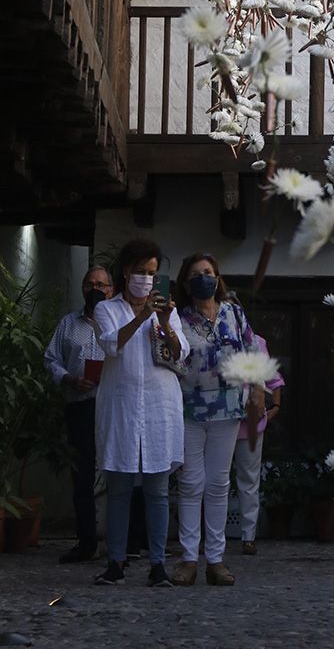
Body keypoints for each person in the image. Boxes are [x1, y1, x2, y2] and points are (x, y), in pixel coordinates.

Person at [92, 239, 189, 587]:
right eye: (140, 272)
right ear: (125, 272)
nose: (146, 280)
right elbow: (111, 344)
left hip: (160, 408)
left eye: (152, 273)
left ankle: (158, 564)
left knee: (157, 490)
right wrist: (142, 316)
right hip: (121, 407)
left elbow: (179, 353)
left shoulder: (167, 311)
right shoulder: (108, 308)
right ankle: (116, 561)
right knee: (118, 488)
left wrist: (162, 320)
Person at [172, 254, 265, 587]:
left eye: (208, 272)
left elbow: (252, 352)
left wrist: (257, 389)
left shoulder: (234, 314)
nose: (203, 278)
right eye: (195, 274)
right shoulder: (177, 318)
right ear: (185, 283)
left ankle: (215, 560)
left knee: (218, 484)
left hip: (228, 410)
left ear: (218, 277)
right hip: (188, 411)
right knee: (190, 483)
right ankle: (187, 560)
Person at [44, 265, 113, 563]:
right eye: (90, 284)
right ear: (83, 288)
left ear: (111, 290)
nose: (95, 289)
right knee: (82, 473)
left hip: (112, 405)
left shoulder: (120, 322)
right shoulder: (68, 324)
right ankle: (86, 543)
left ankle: (129, 543)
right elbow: (50, 358)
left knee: (122, 471)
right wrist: (70, 379)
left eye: (101, 284)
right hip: (80, 405)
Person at [232, 332, 284, 554]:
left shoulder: (256, 341)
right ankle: (209, 535)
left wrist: (275, 406)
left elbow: (272, 377)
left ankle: (248, 536)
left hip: (250, 420)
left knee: (249, 478)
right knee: (215, 479)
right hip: (219, 420)